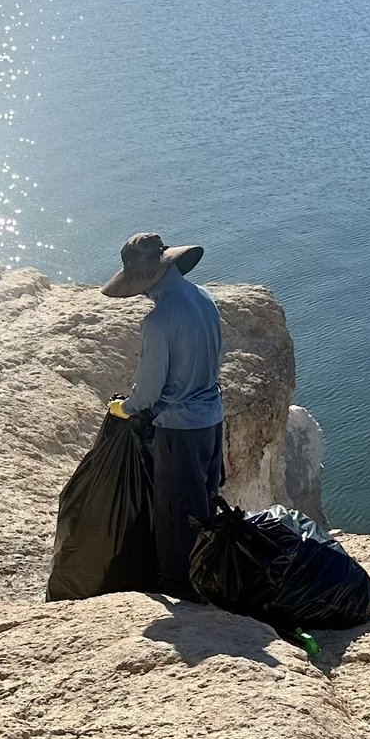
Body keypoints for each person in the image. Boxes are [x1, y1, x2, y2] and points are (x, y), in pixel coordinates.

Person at [102, 231, 223, 595]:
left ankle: (183, 589)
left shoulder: (159, 321)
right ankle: (210, 574)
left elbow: (149, 391)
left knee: (175, 514)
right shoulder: (205, 298)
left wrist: (125, 408)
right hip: (212, 420)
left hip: (178, 431)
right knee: (204, 503)